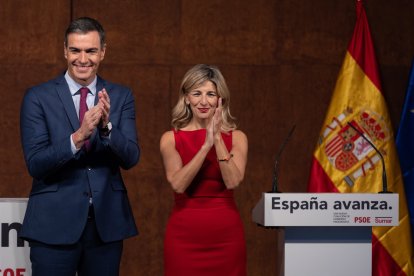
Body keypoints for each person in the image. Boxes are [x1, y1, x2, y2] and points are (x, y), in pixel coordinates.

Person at [19, 17, 140, 276]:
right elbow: (36, 163)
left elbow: (131, 157)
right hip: (52, 226)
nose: (82, 59)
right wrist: (78, 136)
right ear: (65, 50)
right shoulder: (37, 97)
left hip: (105, 228)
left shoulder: (120, 96)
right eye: (75, 50)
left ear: (103, 52)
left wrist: (107, 128)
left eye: (91, 51)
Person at [160, 64, 248, 276]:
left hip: (227, 237)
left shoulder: (237, 137)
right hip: (183, 237)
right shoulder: (170, 138)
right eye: (197, 93)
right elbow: (179, 184)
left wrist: (217, 139)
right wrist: (205, 145)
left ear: (221, 99)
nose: (203, 101)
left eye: (210, 94)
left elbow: (233, 180)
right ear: (186, 97)